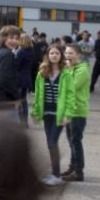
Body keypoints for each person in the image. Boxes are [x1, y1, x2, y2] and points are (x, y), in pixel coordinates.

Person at [31, 44, 67, 186]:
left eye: (57, 53)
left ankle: (57, 175)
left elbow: (70, 95)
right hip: (47, 113)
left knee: (52, 142)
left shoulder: (66, 74)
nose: (54, 56)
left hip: (59, 114)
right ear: (47, 55)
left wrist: (67, 114)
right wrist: (35, 112)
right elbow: (38, 94)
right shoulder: (42, 73)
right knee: (50, 143)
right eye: (51, 53)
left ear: (61, 56)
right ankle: (54, 173)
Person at [59, 44, 90, 183]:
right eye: (66, 53)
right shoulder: (70, 69)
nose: (68, 56)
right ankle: (72, 167)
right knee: (71, 141)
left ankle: (79, 172)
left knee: (75, 141)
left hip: (78, 111)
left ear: (79, 55)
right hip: (69, 111)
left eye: (71, 53)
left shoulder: (82, 70)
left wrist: (68, 69)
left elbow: (72, 86)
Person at [0, 26, 22, 119]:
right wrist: (17, 97)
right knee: (11, 132)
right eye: (11, 38)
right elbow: (6, 79)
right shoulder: (8, 55)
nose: (14, 41)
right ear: (3, 38)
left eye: (17, 38)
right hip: (5, 101)